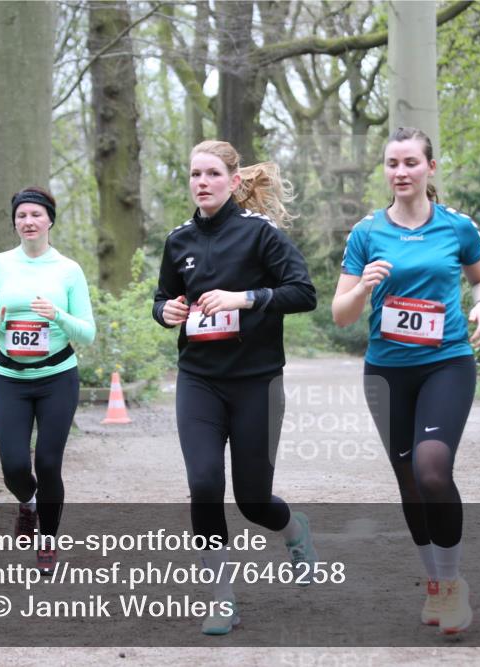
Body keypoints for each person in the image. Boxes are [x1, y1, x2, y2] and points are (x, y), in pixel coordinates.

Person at [331, 127, 480, 635]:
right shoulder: (367, 233)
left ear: (430, 168)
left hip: (446, 362)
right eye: (391, 164)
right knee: (407, 480)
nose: (400, 172)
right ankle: (434, 582)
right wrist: (363, 286)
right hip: (386, 372)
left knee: (431, 469)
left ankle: (452, 586)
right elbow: (341, 314)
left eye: (409, 163)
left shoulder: (456, 226)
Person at [153, 140, 318, 635]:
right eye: (194, 174)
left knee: (252, 500)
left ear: (232, 180)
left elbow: (303, 293)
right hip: (199, 380)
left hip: (256, 382)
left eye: (211, 174)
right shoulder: (178, 240)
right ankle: (222, 599)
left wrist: (246, 298)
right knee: (204, 486)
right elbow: (162, 297)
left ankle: (294, 530)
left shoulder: (260, 235)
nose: (201, 182)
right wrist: (166, 311)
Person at [0, 186, 95, 574]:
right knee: (13, 466)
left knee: (47, 462)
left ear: (50, 221)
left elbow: (88, 332)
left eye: (36, 215)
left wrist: (57, 315)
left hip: (57, 377)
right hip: (10, 378)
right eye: (22, 215)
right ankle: (26, 504)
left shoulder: (68, 270)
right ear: (15, 222)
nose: (28, 222)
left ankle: (47, 540)